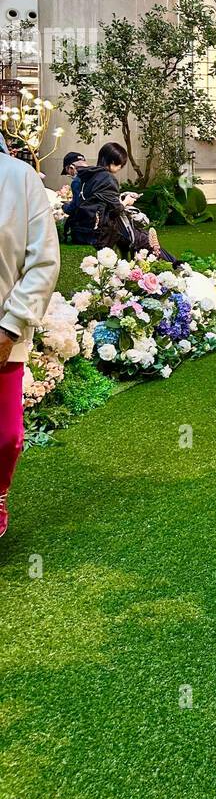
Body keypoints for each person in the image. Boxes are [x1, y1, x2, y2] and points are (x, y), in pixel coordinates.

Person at [0, 141, 61, 538]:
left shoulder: (18, 177)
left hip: (3, 332)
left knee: (6, 437)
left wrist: (10, 327)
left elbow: (43, 260)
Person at [73, 142, 175, 260]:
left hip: (84, 230)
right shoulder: (107, 178)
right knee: (145, 240)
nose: (120, 167)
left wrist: (122, 197)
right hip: (103, 231)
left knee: (138, 238)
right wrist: (127, 201)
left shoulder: (88, 176)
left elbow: (100, 201)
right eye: (120, 164)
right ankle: (174, 264)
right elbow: (116, 209)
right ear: (112, 161)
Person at [59, 150, 87, 243]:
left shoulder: (77, 181)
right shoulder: (96, 176)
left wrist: (64, 206)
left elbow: (75, 207)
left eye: (68, 172)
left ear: (71, 168)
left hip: (83, 231)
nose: (69, 175)